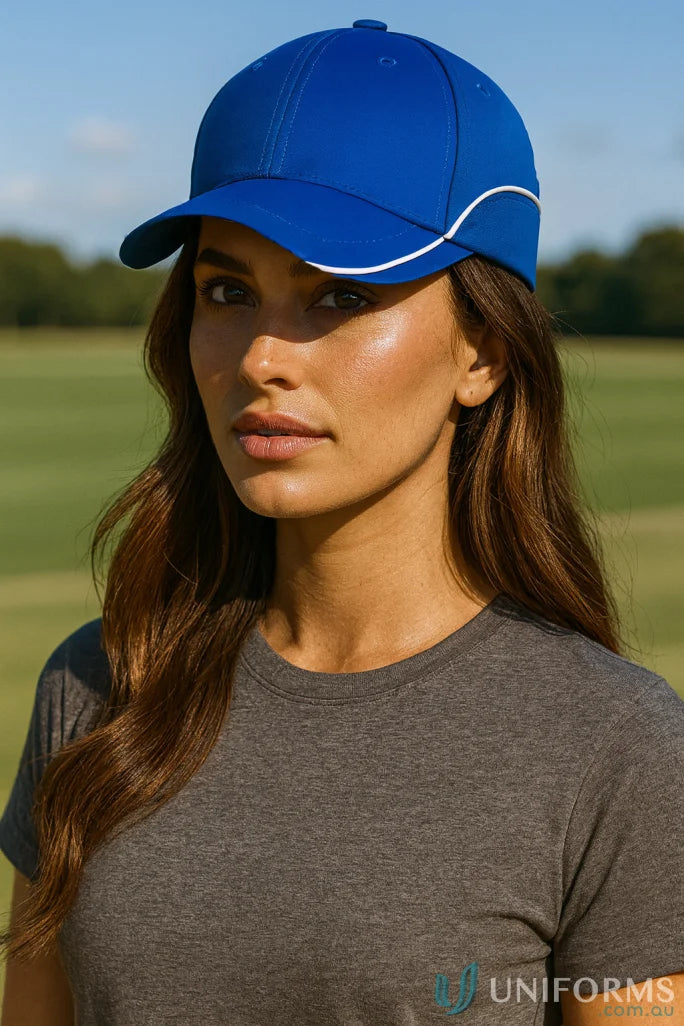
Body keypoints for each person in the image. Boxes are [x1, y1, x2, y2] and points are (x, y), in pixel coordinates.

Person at [1, 18, 682, 1026]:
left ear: (484, 351)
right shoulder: (100, 691)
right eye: (227, 289)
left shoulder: (617, 747)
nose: (263, 357)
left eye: (342, 293)